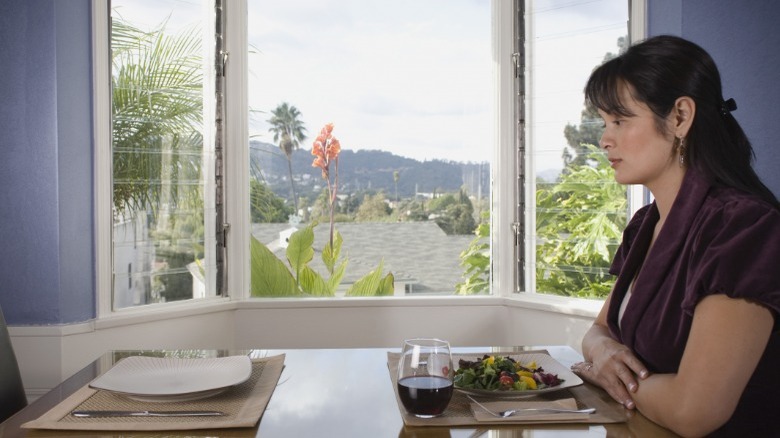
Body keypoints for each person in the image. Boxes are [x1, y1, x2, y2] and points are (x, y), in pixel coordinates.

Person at [570, 35, 779, 437]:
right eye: (604, 122)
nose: (604, 139)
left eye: (620, 120)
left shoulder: (743, 229)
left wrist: (610, 378)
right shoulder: (646, 222)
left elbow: (693, 411)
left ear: (681, 116)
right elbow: (599, 330)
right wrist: (604, 352)